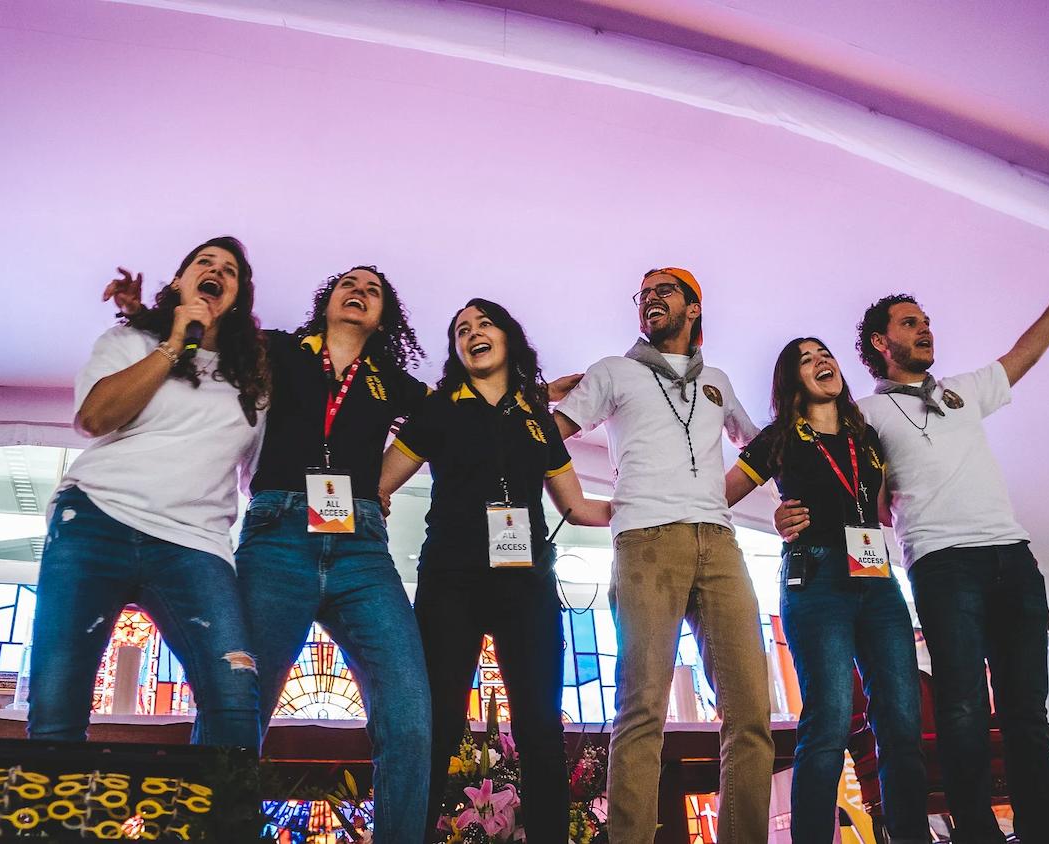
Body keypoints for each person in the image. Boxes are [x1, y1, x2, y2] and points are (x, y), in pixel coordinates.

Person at [775, 254, 1049, 844]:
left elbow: (1021, 356)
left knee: (1027, 713)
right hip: (941, 564)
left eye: (926, 321)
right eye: (909, 323)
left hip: (1013, 556)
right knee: (963, 709)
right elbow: (837, 476)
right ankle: (977, 832)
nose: (925, 328)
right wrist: (789, 508)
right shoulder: (864, 414)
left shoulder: (963, 390)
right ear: (881, 342)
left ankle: (1039, 833)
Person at [109, 263, 434, 842]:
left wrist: (530, 397)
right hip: (278, 537)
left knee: (410, 711)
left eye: (373, 291)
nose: (359, 293)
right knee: (237, 707)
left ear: (385, 317)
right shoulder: (281, 350)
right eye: (348, 285)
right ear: (326, 300)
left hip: (363, 551)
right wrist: (143, 315)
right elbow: (211, 337)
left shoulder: (389, 379)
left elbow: (449, 417)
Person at [378, 298, 611, 844]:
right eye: (461, 329)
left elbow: (578, 507)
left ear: (509, 337)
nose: (472, 333)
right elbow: (383, 477)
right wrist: (372, 497)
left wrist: (642, 508)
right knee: (438, 723)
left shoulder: (535, 416)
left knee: (539, 727)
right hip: (450, 582)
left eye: (484, 324)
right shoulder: (439, 407)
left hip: (525, 586)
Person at [554, 268, 774, 844]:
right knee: (642, 709)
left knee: (751, 714)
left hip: (721, 542)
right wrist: (580, 504)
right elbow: (546, 434)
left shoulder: (718, 381)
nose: (650, 299)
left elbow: (762, 448)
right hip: (647, 542)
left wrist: (774, 496)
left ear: (694, 308)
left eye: (664, 290)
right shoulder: (614, 371)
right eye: (643, 294)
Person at [30, 236, 268, 753]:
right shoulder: (129, 344)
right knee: (56, 705)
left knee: (234, 698)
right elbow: (94, 418)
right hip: (96, 522)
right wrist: (172, 342)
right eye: (204, 263)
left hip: (194, 544)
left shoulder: (252, 384)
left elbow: (260, 474)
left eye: (230, 270)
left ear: (238, 298)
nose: (216, 271)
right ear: (178, 283)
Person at [725, 337, 926, 844]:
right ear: (792, 381)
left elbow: (880, 508)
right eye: (805, 360)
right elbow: (718, 496)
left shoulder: (869, 437)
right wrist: (773, 516)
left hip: (877, 579)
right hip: (815, 579)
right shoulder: (778, 439)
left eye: (825, 354)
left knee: (902, 721)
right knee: (830, 719)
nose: (821, 363)